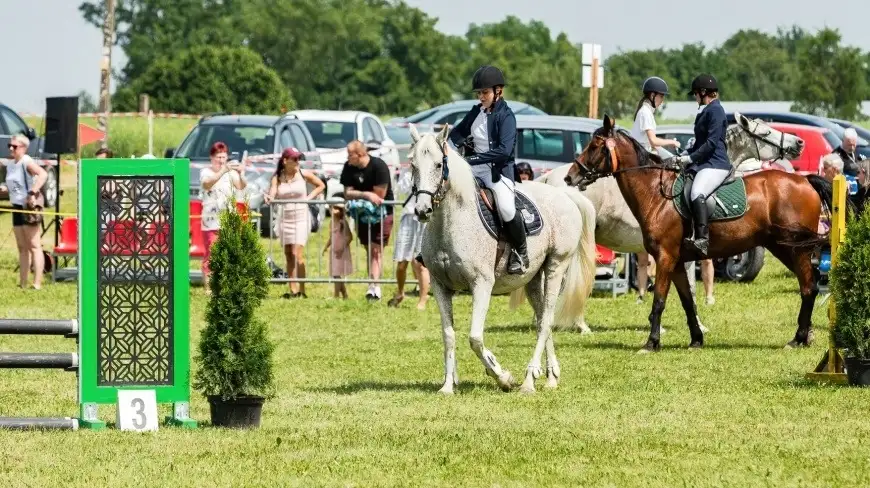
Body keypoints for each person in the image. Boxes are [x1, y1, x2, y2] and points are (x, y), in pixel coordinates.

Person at [448, 65, 527, 274]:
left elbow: (503, 152)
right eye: (479, 93)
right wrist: (447, 147)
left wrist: (470, 159)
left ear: (498, 91)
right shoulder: (476, 112)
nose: (481, 97)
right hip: (473, 169)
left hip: (497, 172)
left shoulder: (507, 117)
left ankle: (521, 252)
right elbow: (457, 134)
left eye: (484, 92)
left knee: (507, 208)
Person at [629, 76, 682, 303]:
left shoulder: (645, 111)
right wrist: (672, 142)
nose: (662, 100)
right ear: (652, 95)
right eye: (661, 96)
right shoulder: (645, 112)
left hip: (647, 154)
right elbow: (652, 141)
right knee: (678, 165)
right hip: (645, 158)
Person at [672, 74, 731, 257]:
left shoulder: (716, 111)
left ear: (704, 92)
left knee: (697, 192)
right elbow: (699, 143)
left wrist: (691, 159)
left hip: (715, 164)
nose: (695, 97)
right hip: (705, 162)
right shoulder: (707, 110)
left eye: (696, 94)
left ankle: (702, 239)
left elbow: (711, 144)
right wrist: (684, 155)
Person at [265, 147, 325, 299]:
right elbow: (272, 192)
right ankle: (293, 289)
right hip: (285, 218)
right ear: (285, 161)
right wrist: (269, 198)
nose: (298, 162)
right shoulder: (277, 177)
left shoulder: (303, 173)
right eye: (295, 159)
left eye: (299, 159)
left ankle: (302, 290)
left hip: (301, 218)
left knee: (296, 253)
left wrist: (309, 198)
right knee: (288, 254)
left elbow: (320, 185)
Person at [340, 140, 395, 301]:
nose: (348, 158)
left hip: (382, 214)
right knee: (368, 248)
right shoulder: (348, 167)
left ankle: (374, 287)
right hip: (361, 214)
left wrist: (366, 194)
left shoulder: (379, 166)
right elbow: (347, 193)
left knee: (376, 249)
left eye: (350, 155)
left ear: (361, 154)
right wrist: (366, 195)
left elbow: (380, 195)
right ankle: (372, 283)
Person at [199, 141, 246, 294]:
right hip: (210, 220)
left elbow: (241, 186)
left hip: (228, 219)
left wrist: (241, 173)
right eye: (218, 157)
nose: (221, 160)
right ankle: (209, 287)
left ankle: (225, 285)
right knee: (211, 254)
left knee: (228, 252)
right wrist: (223, 171)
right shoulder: (205, 172)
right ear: (211, 158)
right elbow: (206, 184)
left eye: (223, 157)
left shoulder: (230, 174)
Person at [6, 134, 48, 289]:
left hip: (28, 208)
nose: (11, 148)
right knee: (22, 246)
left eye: (15, 146)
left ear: (23, 148)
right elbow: (14, 186)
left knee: (34, 245)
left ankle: (37, 283)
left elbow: (43, 174)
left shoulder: (26, 161)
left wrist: (32, 192)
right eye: (10, 145)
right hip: (16, 207)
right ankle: (23, 283)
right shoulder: (11, 164)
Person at [388, 167, 430, 310]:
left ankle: (423, 299)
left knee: (420, 263)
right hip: (408, 216)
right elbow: (401, 190)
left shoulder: (428, 170)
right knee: (402, 263)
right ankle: (400, 293)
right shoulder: (406, 173)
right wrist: (411, 174)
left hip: (423, 218)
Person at [322, 194, 353, 299]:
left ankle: (336, 296)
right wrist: (326, 247)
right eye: (332, 207)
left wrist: (342, 247)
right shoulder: (331, 222)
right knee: (336, 274)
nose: (334, 210)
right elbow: (331, 237)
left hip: (341, 252)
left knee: (337, 274)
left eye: (337, 208)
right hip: (334, 251)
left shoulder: (342, 223)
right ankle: (344, 295)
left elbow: (349, 237)